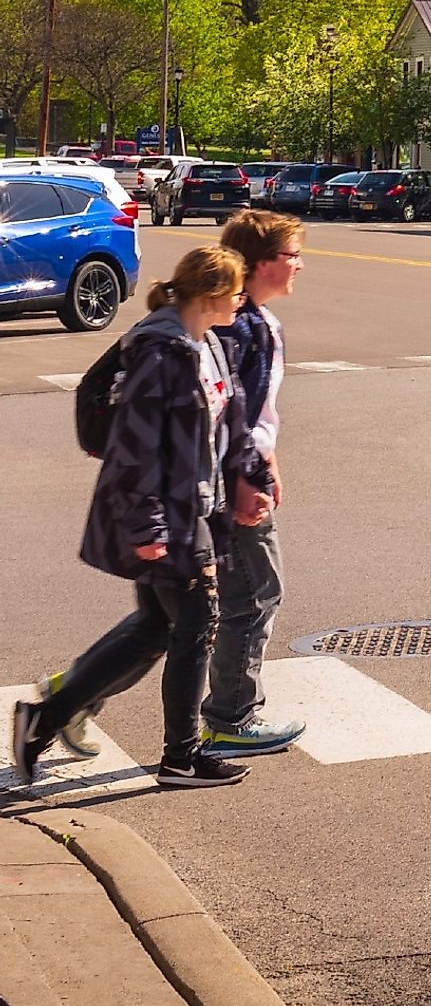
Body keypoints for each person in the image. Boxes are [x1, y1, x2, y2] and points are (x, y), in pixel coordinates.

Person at [12, 247, 252, 790]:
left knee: (154, 627)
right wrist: (149, 528)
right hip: (167, 514)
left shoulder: (207, 342)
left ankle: (46, 718)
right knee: (196, 626)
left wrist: (248, 477)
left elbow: (220, 427)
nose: (241, 301)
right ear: (212, 296)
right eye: (236, 292)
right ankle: (180, 758)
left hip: (194, 508)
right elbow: (136, 448)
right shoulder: (161, 352)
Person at [202, 210, 308, 757]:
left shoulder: (255, 320)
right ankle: (229, 719)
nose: (299, 264)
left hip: (238, 476)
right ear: (262, 262)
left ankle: (66, 701)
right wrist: (248, 478)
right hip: (229, 486)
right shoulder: (238, 325)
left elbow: (258, 415)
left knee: (172, 616)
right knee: (255, 594)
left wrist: (271, 463)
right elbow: (230, 415)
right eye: (291, 255)